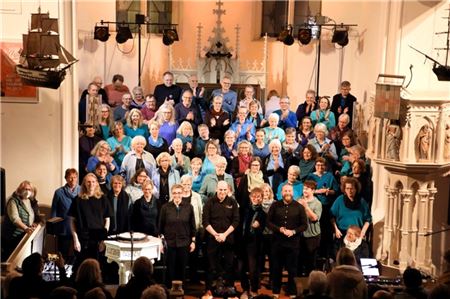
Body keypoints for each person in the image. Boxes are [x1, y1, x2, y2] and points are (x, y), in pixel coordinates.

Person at [267, 184, 308, 297]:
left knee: (292, 269)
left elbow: (304, 225)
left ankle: (292, 292)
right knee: (276, 269)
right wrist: (279, 229)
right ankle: (275, 292)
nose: (287, 193)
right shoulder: (275, 205)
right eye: (285, 191)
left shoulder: (299, 207)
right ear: (281, 192)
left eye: (289, 191)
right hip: (277, 243)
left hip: (293, 244)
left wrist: (294, 231)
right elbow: (268, 222)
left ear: (293, 192)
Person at [202, 180, 240, 295]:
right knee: (210, 265)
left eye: (224, 190)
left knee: (229, 264)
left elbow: (236, 221)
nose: (222, 192)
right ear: (216, 189)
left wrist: (224, 235)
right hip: (213, 238)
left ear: (228, 190)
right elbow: (205, 221)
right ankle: (208, 289)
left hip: (228, 238)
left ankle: (230, 287)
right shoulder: (209, 202)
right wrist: (215, 235)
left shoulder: (233, 202)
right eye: (220, 189)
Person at [69, 174, 112, 268]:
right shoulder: (78, 200)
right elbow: (72, 221)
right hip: (82, 239)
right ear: (84, 183)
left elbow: (107, 220)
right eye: (88, 182)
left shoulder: (103, 199)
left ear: (96, 183)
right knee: (82, 267)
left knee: (97, 268)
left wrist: (103, 240)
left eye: (93, 181)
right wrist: (75, 239)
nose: (91, 184)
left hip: (98, 239)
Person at [159, 184, 196, 286]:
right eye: (175, 193)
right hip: (170, 243)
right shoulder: (165, 207)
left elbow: (193, 226)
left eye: (179, 193)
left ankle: (181, 291)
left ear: (182, 193)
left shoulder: (189, 207)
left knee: (182, 268)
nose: (177, 195)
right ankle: (170, 291)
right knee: (170, 269)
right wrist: (161, 243)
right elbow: (160, 227)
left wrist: (193, 241)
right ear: (172, 194)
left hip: (184, 242)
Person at [2, 181, 42, 261]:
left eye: (29, 189)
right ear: (20, 189)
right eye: (25, 189)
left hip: (24, 236)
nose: (27, 191)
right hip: (13, 237)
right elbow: (15, 218)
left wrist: (33, 223)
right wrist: (26, 228)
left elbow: (31, 215)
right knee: (10, 260)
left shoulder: (29, 201)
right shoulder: (13, 201)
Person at [240, 187, 266, 298]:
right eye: (254, 196)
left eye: (258, 197)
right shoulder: (244, 209)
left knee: (252, 269)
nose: (256, 199)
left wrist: (259, 226)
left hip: (254, 244)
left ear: (262, 198)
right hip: (242, 241)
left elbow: (264, 229)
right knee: (240, 267)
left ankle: (254, 290)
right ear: (250, 197)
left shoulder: (263, 213)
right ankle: (245, 289)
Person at [50, 168, 80, 260]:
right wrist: (53, 228)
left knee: (78, 253)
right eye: (70, 177)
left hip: (78, 226)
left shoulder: (82, 190)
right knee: (62, 253)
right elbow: (54, 211)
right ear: (66, 178)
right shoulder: (59, 192)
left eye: (75, 177)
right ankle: (62, 270)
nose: (73, 180)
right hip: (64, 227)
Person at [331, 177, 372, 242]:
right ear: (344, 189)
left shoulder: (362, 202)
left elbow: (368, 219)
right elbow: (331, 216)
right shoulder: (339, 200)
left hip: (357, 234)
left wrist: (362, 233)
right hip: (342, 233)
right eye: (347, 188)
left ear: (356, 189)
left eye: (352, 188)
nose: (349, 191)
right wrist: (336, 229)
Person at [298, 180, 322, 276]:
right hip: (300, 235)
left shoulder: (317, 203)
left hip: (312, 236)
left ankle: (309, 286)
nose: (305, 191)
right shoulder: (299, 200)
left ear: (313, 190)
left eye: (307, 189)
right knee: (299, 262)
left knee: (310, 262)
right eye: (304, 188)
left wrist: (306, 206)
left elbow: (314, 218)